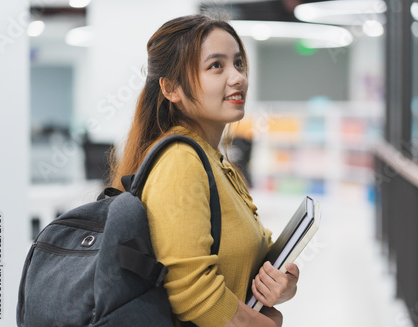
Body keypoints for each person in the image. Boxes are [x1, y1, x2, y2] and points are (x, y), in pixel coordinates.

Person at [110, 14, 299, 327]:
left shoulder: (214, 160)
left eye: (238, 63)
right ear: (171, 88)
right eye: (216, 66)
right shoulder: (181, 162)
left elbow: (256, 249)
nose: (237, 77)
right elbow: (191, 292)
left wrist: (282, 281)